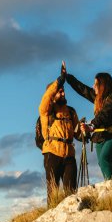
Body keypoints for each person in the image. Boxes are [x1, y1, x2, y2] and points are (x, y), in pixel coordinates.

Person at [64, 68, 112, 180]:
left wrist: (91, 126)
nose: (93, 86)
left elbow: (104, 115)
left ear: (102, 85)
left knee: (104, 158)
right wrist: (67, 77)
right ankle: (110, 182)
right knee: (102, 162)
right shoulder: (99, 98)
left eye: (96, 84)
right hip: (100, 136)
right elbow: (83, 89)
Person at [39, 62, 81, 206]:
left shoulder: (71, 111)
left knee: (71, 193)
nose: (63, 93)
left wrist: (86, 131)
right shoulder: (46, 111)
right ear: (53, 94)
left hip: (69, 155)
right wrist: (60, 79)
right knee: (53, 192)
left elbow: (78, 134)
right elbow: (46, 97)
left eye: (63, 91)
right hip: (52, 153)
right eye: (60, 91)